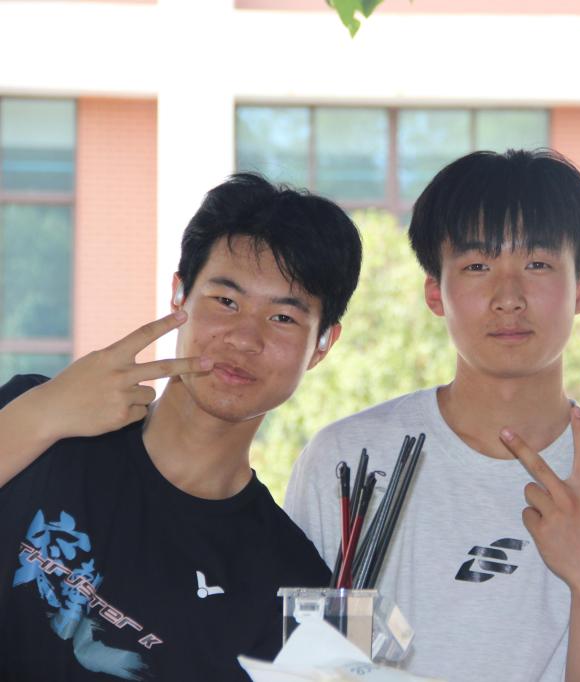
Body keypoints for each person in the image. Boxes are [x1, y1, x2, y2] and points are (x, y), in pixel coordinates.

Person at [286, 149, 580, 682]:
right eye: (477, 267)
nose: (508, 297)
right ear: (435, 292)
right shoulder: (348, 462)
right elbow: (305, 666)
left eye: (537, 265)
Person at [0, 173, 362, 681]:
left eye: (283, 318)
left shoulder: (290, 589)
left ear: (322, 344)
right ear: (179, 295)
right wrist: (43, 414)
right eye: (226, 301)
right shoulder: (41, 418)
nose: (244, 338)